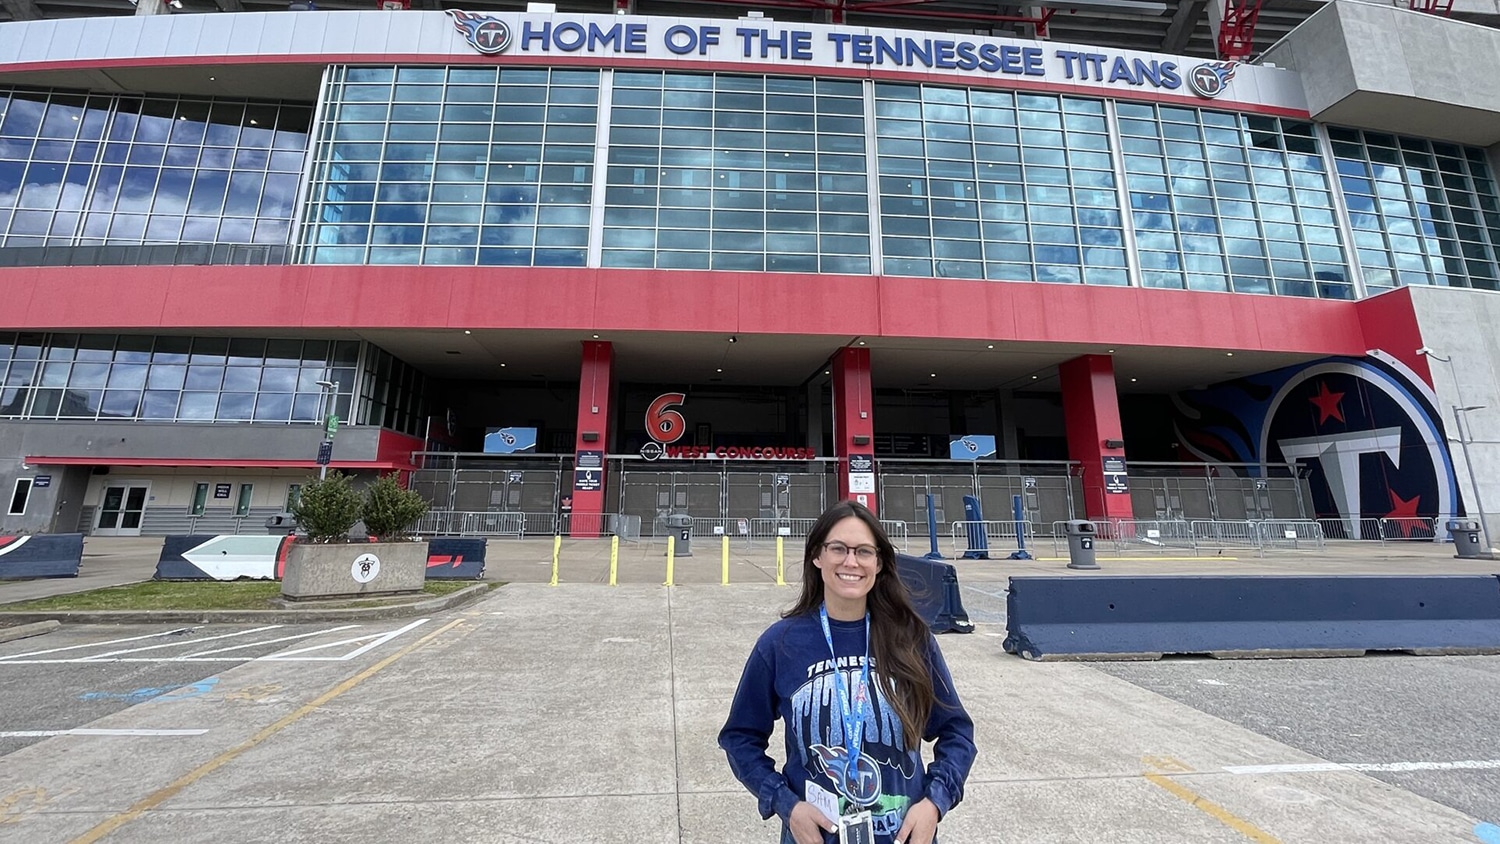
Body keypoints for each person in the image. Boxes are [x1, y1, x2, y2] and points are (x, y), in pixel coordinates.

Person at [719, 500, 976, 844]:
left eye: (864, 552)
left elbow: (957, 732)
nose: (851, 561)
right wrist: (786, 804)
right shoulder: (780, 644)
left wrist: (934, 803)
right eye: (838, 548)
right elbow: (739, 737)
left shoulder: (911, 638)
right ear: (816, 556)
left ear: (880, 563)